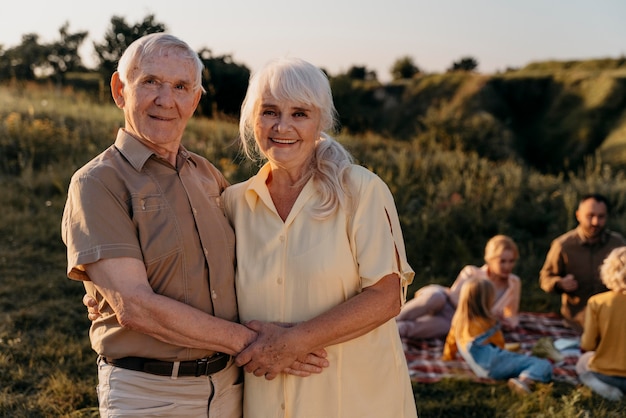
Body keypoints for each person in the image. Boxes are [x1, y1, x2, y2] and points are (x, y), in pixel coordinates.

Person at [62, 34, 324, 418]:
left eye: (181, 87)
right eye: (150, 81)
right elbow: (135, 307)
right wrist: (258, 342)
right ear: (120, 90)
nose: (166, 100)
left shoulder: (206, 174)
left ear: (195, 100)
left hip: (231, 387)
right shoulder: (97, 183)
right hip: (150, 395)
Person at [222, 57, 418, 417]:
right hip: (266, 400)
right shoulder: (234, 203)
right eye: (269, 112)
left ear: (321, 121)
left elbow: (386, 298)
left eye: (299, 113)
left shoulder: (360, 190)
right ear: (253, 120)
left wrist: (293, 343)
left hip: (354, 399)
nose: (282, 126)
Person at [396, 235, 521, 340]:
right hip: (446, 300)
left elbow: (512, 313)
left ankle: (388, 329)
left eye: (512, 261)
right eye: (502, 261)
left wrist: (508, 323)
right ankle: (392, 318)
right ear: (490, 259)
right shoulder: (472, 272)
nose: (508, 266)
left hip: (456, 319)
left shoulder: (514, 283)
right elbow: (454, 296)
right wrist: (486, 314)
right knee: (436, 298)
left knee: (408, 329)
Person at [442, 277, 553, 395]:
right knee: (542, 364)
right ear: (487, 300)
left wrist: (448, 356)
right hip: (495, 364)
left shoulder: (458, 321)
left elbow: (451, 341)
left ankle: (519, 376)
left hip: (480, 370)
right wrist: (499, 324)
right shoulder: (488, 321)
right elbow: (499, 344)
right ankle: (525, 381)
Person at [539, 193, 626, 331]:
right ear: (578, 215)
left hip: (612, 322)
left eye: (601, 216)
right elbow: (545, 277)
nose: (596, 222)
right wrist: (559, 283)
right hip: (576, 324)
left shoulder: (617, 243)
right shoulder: (563, 245)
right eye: (590, 216)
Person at [576, 246, 626, 401]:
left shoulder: (597, 302)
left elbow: (588, 344)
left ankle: (604, 389)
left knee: (582, 363)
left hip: (605, 374)